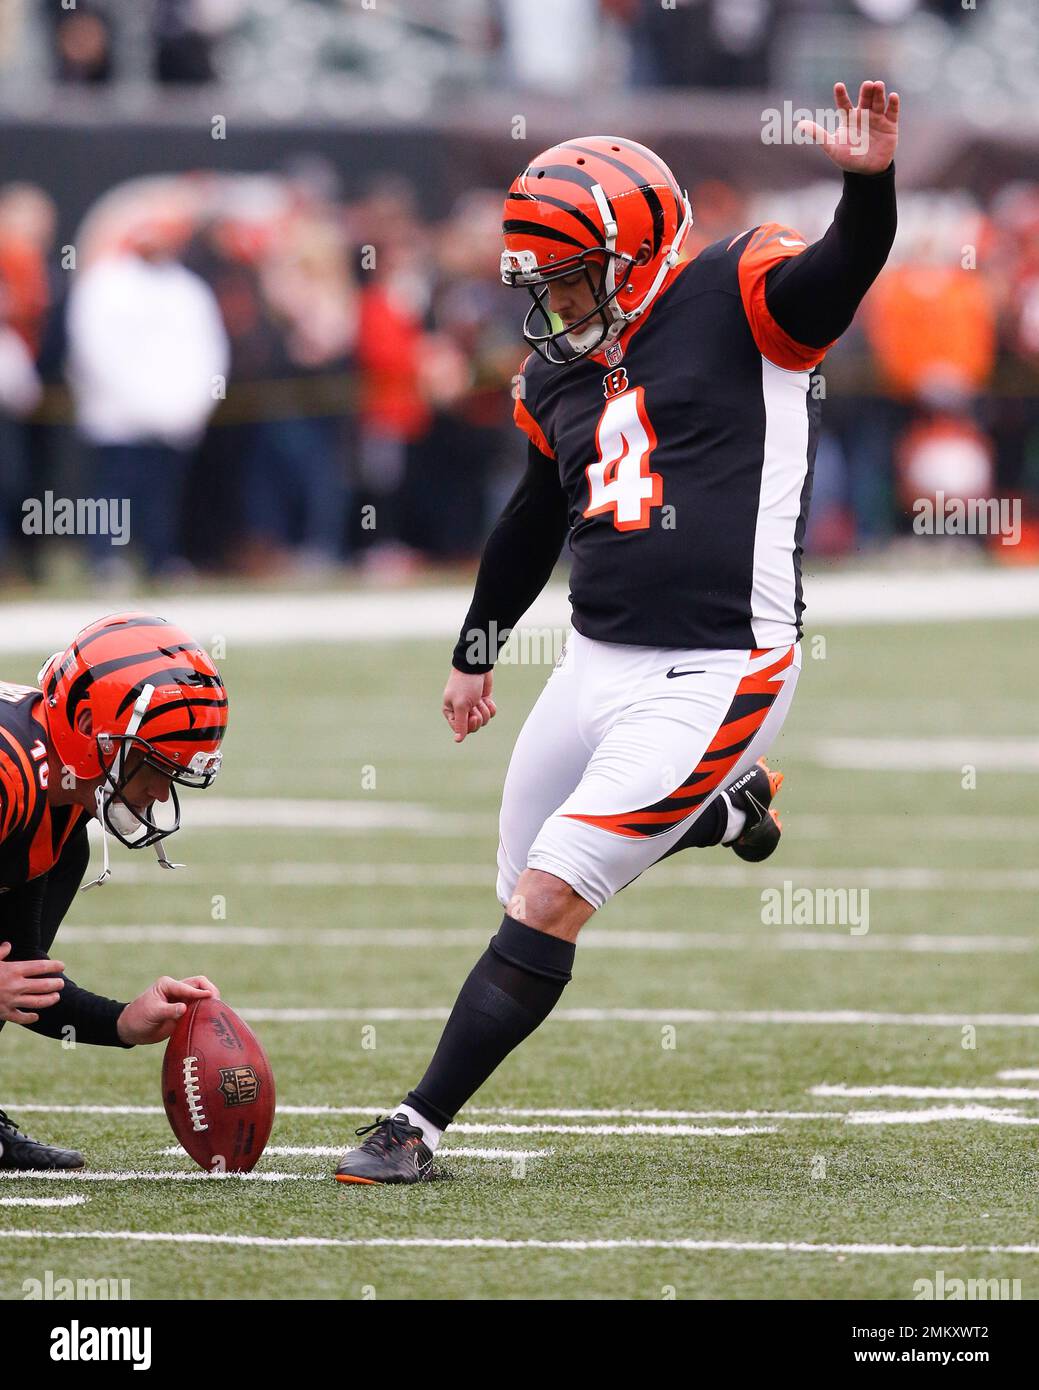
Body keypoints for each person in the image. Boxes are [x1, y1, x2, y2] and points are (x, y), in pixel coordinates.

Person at [335, 81, 899, 1184]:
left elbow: (842, 270)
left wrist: (867, 184)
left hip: (718, 664)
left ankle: (415, 1125)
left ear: (633, 250)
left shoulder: (740, 290)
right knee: (519, 890)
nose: (552, 299)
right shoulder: (554, 370)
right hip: (592, 658)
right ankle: (722, 804)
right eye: (539, 280)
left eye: (568, 274)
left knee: (553, 894)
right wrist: (476, 645)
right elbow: (535, 511)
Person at [0, 612, 228, 1170]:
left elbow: (20, 976)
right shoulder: (9, 777)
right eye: (152, 765)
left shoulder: (59, 812)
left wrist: (124, 1021)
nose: (157, 791)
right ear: (85, 727)